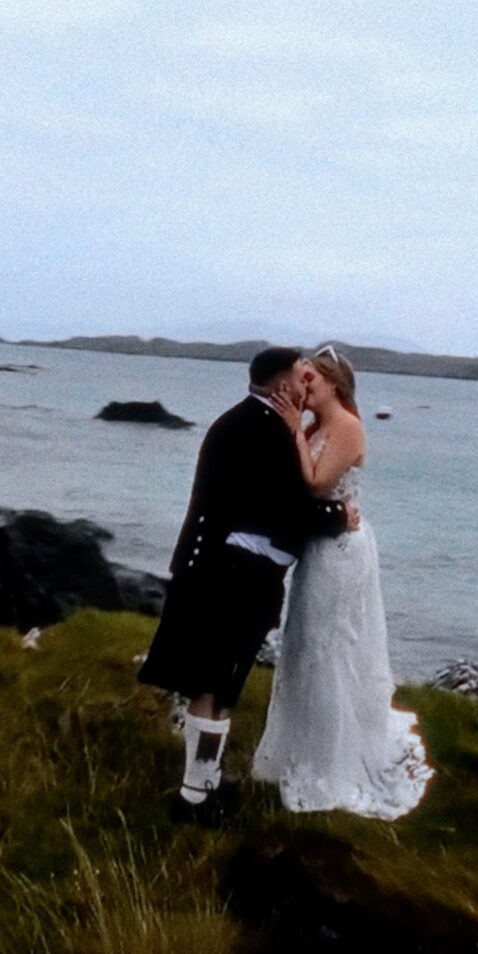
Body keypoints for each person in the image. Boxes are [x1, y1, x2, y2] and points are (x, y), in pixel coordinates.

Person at [138, 346, 357, 825]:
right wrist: (338, 516)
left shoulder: (248, 423)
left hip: (226, 568)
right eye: (301, 380)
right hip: (233, 572)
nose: (306, 387)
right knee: (214, 678)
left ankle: (205, 781)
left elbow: (269, 500)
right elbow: (284, 506)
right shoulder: (262, 431)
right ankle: (195, 796)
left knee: (220, 678)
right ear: (282, 387)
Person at [251, 346, 432, 818]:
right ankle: (303, 747)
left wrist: (291, 427)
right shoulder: (314, 426)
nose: (301, 388)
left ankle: (333, 759)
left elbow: (313, 483)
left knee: (330, 645)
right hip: (318, 547)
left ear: (333, 384)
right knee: (306, 644)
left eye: (309, 380)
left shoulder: (347, 427)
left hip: (341, 553)